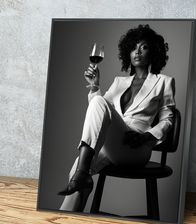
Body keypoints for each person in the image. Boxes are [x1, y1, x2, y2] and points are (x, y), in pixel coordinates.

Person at [58, 24, 176, 212]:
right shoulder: (119, 82)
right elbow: (98, 114)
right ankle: (63, 223)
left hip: (136, 147)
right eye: (133, 47)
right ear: (127, 52)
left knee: (81, 168)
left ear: (152, 51)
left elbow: (167, 120)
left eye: (143, 47)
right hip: (112, 144)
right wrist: (95, 87)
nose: (137, 52)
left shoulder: (164, 82)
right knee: (75, 172)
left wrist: (146, 137)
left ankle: (82, 175)